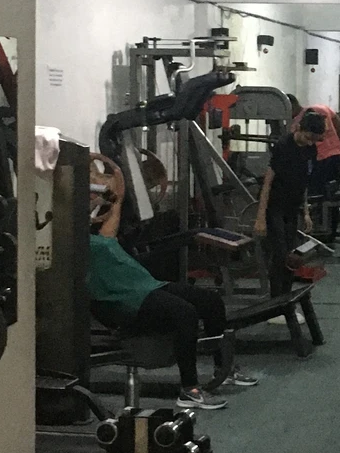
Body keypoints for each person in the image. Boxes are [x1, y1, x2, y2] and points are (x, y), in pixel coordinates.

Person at [88, 158, 256, 412]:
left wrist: (116, 197)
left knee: (211, 302)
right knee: (185, 314)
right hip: (119, 298)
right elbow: (75, 218)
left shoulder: (100, 234)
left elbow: (110, 226)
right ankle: (190, 389)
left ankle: (225, 368)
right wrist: (96, 198)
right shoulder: (70, 231)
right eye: (91, 180)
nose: (97, 182)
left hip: (143, 285)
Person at [256, 109, 324, 293]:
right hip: (275, 206)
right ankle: (276, 299)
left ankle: (286, 296)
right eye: (308, 137)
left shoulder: (310, 149)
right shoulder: (283, 146)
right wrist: (260, 218)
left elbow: (304, 182)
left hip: (293, 207)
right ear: (299, 128)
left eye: (314, 140)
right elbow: (268, 182)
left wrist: (306, 212)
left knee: (292, 254)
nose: (310, 142)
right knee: (280, 254)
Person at [297, 102, 340, 242]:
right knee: (331, 195)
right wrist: (336, 143)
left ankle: (317, 231)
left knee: (316, 196)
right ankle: (329, 233)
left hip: (321, 159)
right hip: (335, 155)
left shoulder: (298, 122)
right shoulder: (323, 108)